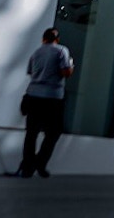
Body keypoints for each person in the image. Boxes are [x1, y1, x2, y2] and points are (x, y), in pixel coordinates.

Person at [18, 27, 73, 178]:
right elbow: (65, 72)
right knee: (54, 132)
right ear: (57, 39)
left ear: (43, 39)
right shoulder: (61, 51)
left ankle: (27, 167)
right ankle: (39, 162)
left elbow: (30, 72)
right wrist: (71, 66)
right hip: (52, 98)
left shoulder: (36, 53)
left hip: (33, 95)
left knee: (31, 133)